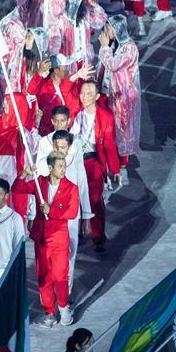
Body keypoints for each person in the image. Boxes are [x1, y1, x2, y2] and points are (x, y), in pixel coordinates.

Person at [13, 152, 79, 327]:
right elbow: (17, 188)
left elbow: (72, 213)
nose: (63, 169)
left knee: (59, 276)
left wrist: (52, 212)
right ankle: (49, 313)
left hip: (59, 239)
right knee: (43, 277)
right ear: (50, 168)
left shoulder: (71, 187)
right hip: (41, 239)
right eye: (60, 166)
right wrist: (25, 173)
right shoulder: (39, 182)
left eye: (64, 165)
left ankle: (64, 307)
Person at [35, 129, 92, 292]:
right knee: (47, 259)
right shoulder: (43, 165)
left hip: (69, 220)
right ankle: (50, 293)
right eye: (57, 147)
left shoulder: (75, 163)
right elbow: (35, 192)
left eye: (63, 147)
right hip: (47, 222)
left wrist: (87, 216)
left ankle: (66, 291)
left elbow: (83, 188)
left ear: (69, 147)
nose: (60, 150)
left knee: (70, 254)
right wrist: (33, 215)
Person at [71, 80, 120, 252]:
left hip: (93, 161)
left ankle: (98, 236)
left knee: (95, 200)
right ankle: (75, 231)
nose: (84, 97)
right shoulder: (76, 111)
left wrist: (115, 169)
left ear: (97, 96)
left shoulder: (105, 116)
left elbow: (109, 145)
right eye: (83, 93)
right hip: (73, 161)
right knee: (73, 198)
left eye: (89, 94)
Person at [97, 16, 140, 174]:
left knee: (122, 128)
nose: (106, 32)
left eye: (109, 28)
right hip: (107, 91)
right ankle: (110, 159)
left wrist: (105, 47)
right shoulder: (114, 44)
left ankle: (122, 162)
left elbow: (113, 65)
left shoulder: (129, 48)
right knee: (109, 128)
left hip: (122, 96)